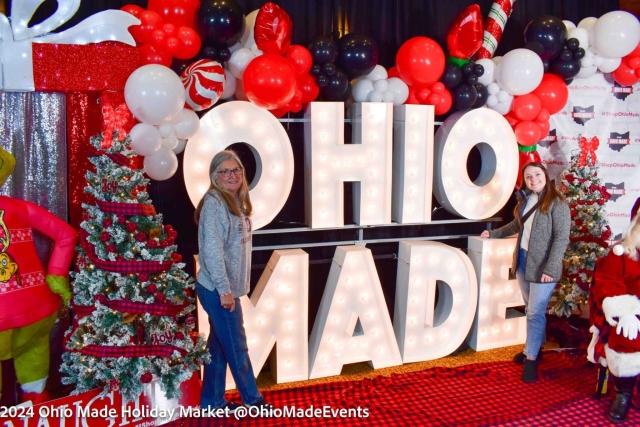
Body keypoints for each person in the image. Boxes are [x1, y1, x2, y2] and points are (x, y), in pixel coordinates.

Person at [194, 150, 271, 412]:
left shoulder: (235, 201)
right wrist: (225, 290)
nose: (232, 175)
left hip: (225, 288)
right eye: (224, 171)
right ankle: (253, 399)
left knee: (218, 346)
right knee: (237, 347)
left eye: (236, 169)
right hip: (217, 289)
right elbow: (212, 251)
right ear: (215, 176)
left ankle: (212, 402)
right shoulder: (215, 204)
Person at [481, 162, 570, 383]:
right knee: (532, 309)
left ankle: (530, 358)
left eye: (537, 175)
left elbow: (561, 239)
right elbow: (516, 225)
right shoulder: (526, 200)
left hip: (543, 267)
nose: (533, 180)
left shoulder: (557, 204)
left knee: (534, 313)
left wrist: (550, 268)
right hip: (522, 262)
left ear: (545, 176)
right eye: (528, 176)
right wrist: (493, 234)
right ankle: (537, 349)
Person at [588, 197, 640, 424]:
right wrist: (626, 310)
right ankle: (623, 394)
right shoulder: (621, 251)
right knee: (626, 335)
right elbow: (607, 283)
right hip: (631, 314)